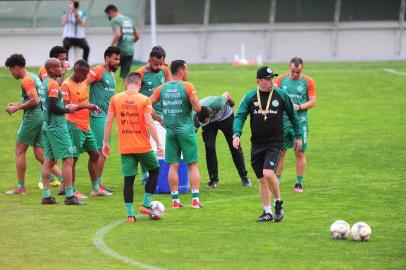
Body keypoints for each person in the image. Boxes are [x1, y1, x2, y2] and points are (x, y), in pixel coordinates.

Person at [232, 66, 303, 222]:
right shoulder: (250, 96)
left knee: (268, 172)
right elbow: (240, 116)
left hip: (275, 142)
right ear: (259, 80)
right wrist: (236, 134)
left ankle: (278, 203)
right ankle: (267, 211)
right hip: (257, 143)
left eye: (272, 78)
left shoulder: (281, 95)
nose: (271, 82)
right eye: (268, 79)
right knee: (262, 178)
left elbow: (293, 116)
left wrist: (298, 136)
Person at [102, 72, 164, 222]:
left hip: (126, 147)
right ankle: (146, 204)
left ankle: (130, 215)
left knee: (128, 181)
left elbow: (109, 121)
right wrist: (159, 143)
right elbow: (149, 122)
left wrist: (105, 142)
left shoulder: (115, 99)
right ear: (140, 84)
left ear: (126, 83)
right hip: (143, 146)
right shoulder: (144, 99)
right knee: (155, 171)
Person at [4, 54, 62, 195]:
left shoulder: (26, 80)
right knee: (40, 154)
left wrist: (16, 108)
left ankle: (20, 187)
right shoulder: (33, 76)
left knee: (20, 150)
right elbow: (35, 98)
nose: (11, 73)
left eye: (11, 70)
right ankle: (65, 180)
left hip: (33, 117)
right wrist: (18, 104)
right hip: (42, 116)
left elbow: (35, 100)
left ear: (17, 67)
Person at [150, 60, 203, 209]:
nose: (188, 72)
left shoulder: (162, 88)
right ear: (181, 71)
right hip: (186, 131)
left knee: (173, 166)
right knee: (192, 165)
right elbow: (197, 107)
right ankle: (195, 200)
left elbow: (147, 105)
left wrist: (159, 119)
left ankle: (175, 201)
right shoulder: (188, 86)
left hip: (170, 132)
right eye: (187, 70)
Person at [61, 59, 111, 198]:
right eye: (83, 75)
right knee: (72, 159)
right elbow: (66, 107)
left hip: (86, 126)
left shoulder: (83, 83)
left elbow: (84, 101)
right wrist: (87, 106)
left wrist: (93, 107)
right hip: (73, 126)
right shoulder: (66, 85)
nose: (85, 78)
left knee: (95, 154)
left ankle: (95, 188)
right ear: (76, 72)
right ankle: (72, 190)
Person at [39, 58, 85, 205]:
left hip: (47, 125)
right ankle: (70, 196)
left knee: (49, 160)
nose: (61, 67)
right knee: (68, 159)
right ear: (52, 69)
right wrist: (67, 109)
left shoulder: (45, 82)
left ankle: (46, 196)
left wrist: (63, 72)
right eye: (59, 66)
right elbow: (53, 106)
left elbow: (48, 102)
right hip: (57, 127)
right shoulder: (52, 84)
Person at [275, 57, 316, 193]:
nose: (295, 74)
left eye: (297, 72)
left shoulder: (308, 81)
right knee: (280, 152)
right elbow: (275, 96)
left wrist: (299, 106)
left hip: (300, 121)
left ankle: (299, 183)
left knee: (299, 151)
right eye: (293, 71)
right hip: (283, 121)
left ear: (302, 68)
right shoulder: (280, 79)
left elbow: (312, 101)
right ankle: (277, 180)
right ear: (289, 67)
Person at [194, 92, 252, 188]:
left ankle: (244, 177)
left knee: (234, 145)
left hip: (226, 117)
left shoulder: (218, 103)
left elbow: (227, 94)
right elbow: (191, 134)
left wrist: (232, 105)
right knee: (209, 147)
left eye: (204, 122)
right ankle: (213, 180)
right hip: (210, 124)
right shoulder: (196, 116)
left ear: (209, 116)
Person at [87, 46, 121, 193]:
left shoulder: (111, 74)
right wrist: (87, 105)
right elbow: (82, 83)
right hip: (97, 117)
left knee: (102, 151)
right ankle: (97, 186)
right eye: (115, 59)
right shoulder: (98, 71)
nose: (118, 61)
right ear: (107, 58)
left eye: (119, 59)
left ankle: (97, 184)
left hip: (106, 117)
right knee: (101, 151)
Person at [137, 46, 170, 184]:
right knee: (145, 146)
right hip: (145, 114)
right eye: (155, 64)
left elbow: (169, 89)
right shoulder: (141, 73)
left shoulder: (165, 71)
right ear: (149, 60)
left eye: (161, 64)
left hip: (162, 113)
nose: (158, 67)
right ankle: (145, 175)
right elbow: (134, 94)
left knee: (162, 145)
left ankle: (161, 173)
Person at [104, 4, 140, 79]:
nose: (109, 18)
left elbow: (118, 35)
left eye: (108, 16)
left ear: (111, 12)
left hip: (121, 51)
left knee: (108, 69)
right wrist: (130, 43)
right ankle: (128, 90)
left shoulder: (115, 20)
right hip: (130, 51)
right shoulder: (129, 19)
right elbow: (137, 36)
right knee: (125, 76)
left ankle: (109, 88)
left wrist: (111, 46)